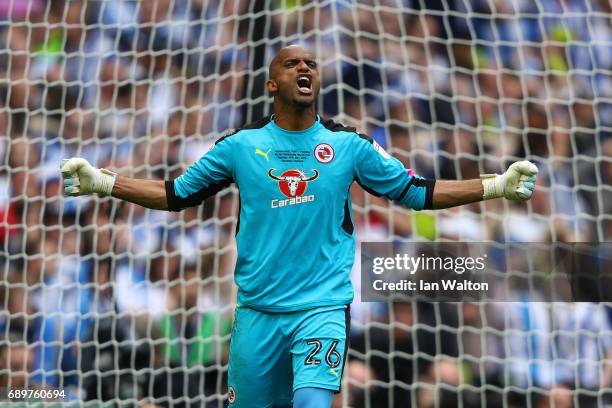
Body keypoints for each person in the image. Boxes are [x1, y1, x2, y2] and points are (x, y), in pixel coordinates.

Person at [60, 45, 538, 408]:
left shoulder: (347, 145)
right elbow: (174, 195)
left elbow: (418, 191)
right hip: (257, 313)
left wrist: (495, 186)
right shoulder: (239, 146)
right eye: (292, 64)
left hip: (320, 309)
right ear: (271, 83)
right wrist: (103, 182)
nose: (304, 68)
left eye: (311, 63)